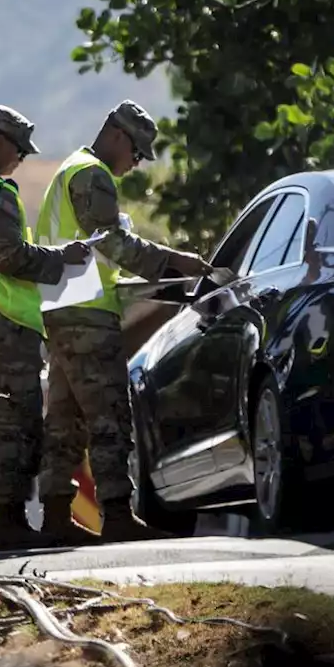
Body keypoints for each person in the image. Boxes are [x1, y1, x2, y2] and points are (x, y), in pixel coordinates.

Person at [33, 100, 213, 544]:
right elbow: (110, 242)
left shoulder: (71, 170)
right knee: (110, 414)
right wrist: (174, 263)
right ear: (117, 135)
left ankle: (56, 516)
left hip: (63, 308)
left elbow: (96, 254)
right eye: (136, 153)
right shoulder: (91, 174)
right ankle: (116, 515)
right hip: (87, 315)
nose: (135, 164)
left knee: (66, 419)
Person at [0, 104, 91, 553]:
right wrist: (63, 259)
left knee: (8, 417)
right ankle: (4, 521)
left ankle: (4, 519)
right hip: (5, 316)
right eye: (20, 150)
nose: (21, 159)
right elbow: (12, 258)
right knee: (16, 420)